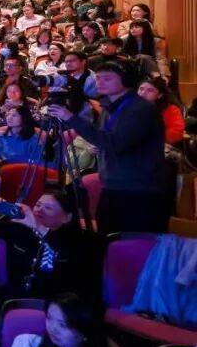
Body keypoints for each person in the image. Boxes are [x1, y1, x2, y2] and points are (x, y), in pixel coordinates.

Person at [47, 61, 168, 234]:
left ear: (125, 80)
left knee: (134, 244)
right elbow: (105, 139)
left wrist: (71, 118)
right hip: (113, 186)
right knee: (107, 241)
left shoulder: (140, 109)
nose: (100, 82)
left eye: (107, 78)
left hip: (138, 191)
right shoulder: (109, 107)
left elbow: (115, 143)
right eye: (98, 78)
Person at [0, 186, 102, 304]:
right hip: (15, 298)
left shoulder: (77, 241)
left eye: (48, 208)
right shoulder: (21, 228)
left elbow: (54, 266)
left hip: (54, 302)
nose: (39, 210)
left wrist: (39, 228)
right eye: (38, 204)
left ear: (66, 218)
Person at [137, 77, 184, 145]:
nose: (143, 93)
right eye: (141, 89)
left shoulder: (171, 110)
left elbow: (177, 133)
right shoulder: (129, 107)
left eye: (150, 90)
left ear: (159, 95)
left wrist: (150, 138)